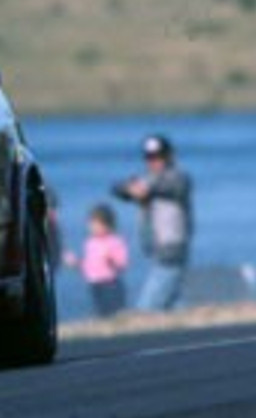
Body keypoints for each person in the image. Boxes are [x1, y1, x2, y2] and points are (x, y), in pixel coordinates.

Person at [112, 134, 194, 311]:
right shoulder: (146, 178)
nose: (154, 161)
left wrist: (142, 190)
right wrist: (130, 189)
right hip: (156, 248)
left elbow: (166, 187)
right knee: (173, 301)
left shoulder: (178, 177)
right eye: (149, 157)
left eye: (158, 156)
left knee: (147, 307)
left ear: (169, 156)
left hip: (172, 247)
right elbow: (117, 189)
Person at [64, 204, 130, 318]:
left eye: (98, 224)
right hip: (94, 283)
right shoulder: (90, 242)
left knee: (115, 311)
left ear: (108, 225)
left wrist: (111, 260)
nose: (93, 227)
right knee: (100, 310)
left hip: (110, 284)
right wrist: (75, 263)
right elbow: (88, 264)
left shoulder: (115, 241)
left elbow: (122, 264)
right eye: (91, 224)